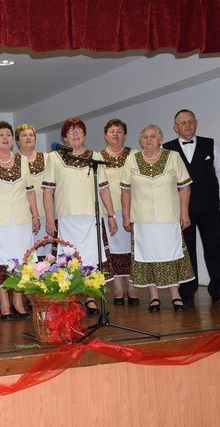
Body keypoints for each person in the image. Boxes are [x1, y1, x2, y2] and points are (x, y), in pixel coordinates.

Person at [42, 117, 117, 315]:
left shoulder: (95, 157)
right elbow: (48, 191)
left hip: (91, 218)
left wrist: (111, 215)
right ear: (64, 137)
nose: (75, 134)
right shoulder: (54, 158)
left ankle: (90, 297)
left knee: (91, 258)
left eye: (79, 130)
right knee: (69, 258)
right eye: (71, 131)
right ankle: (72, 297)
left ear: (84, 135)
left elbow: (104, 189)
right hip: (67, 218)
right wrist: (49, 218)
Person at [121, 125, 195, 311]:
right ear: (140, 140)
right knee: (148, 256)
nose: (149, 140)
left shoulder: (173, 157)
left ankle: (175, 295)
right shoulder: (132, 160)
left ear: (160, 139)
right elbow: (125, 191)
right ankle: (154, 297)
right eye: (145, 137)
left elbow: (184, 187)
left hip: (168, 217)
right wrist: (126, 216)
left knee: (171, 255)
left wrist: (184, 213)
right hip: (142, 219)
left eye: (153, 136)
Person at [0, 121, 40, 320]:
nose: (5, 138)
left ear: (12, 140)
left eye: (8, 134)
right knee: (0, 263)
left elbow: (30, 191)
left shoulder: (22, 161)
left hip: (21, 221)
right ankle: (4, 304)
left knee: (20, 262)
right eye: (0, 135)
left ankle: (18, 303)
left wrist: (35, 215)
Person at [163, 109, 220, 304]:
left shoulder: (210, 144)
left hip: (209, 207)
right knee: (186, 250)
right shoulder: (167, 149)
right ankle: (187, 291)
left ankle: (218, 291)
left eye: (190, 121)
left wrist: (208, 192)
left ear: (196, 123)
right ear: (175, 127)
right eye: (183, 123)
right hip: (181, 210)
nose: (187, 125)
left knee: (214, 247)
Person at [97, 119, 138, 306]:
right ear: (105, 135)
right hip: (109, 211)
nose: (115, 134)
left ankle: (132, 287)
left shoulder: (134, 155)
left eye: (119, 131)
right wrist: (110, 213)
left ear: (125, 135)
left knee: (132, 248)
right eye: (112, 131)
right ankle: (118, 288)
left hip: (132, 210)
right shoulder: (98, 157)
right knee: (113, 249)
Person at [15, 123, 51, 257]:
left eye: (31, 135)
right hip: (23, 215)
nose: (28, 138)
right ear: (17, 141)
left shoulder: (47, 158)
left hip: (46, 213)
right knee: (27, 254)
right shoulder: (13, 160)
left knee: (47, 256)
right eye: (24, 135)